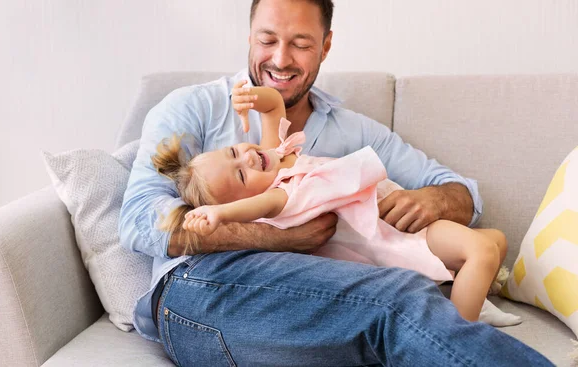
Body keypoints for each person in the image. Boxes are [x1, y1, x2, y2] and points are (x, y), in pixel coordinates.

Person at [119, 0, 553, 365]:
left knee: (404, 308)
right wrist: (280, 238)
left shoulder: (357, 133)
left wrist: (436, 200)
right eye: (267, 40)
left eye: (301, 44)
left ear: (326, 46)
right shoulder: (195, 108)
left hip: (327, 300)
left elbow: (460, 191)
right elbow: (140, 219)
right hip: (203, 289)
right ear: (249, 36)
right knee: (396, 301)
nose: (281, 59)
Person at [153, 83, 510, 323]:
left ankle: (464, 298)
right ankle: (455, 336)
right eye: (241, 176)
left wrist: (251, 98)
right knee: (482, 250)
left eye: (234, 151)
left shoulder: (271, 152)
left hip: (399, 218)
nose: (246, 159)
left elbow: (274, 104)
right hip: (396, 238)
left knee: (496, 240)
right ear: (250, 196)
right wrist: (217, 213)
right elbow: (253, 210)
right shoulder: (279, 195)